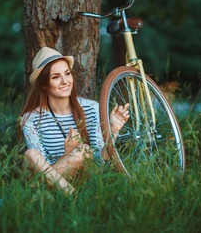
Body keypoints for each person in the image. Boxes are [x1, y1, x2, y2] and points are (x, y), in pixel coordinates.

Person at [20, 46, 129, 194]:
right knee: (31, 154)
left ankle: (49, 195)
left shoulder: (91, 108)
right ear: (44, 84)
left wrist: (113, 130)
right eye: (55, 77)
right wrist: (68, 154)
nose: (65, 81)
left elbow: (100, 165)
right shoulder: (31, 119)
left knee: (83, 151)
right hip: (53, 185)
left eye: (67, 74)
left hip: (84, 181)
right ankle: (73, 197)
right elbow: (41, 169)